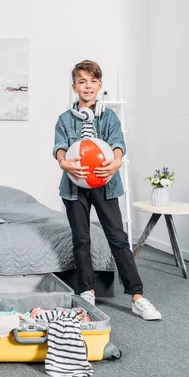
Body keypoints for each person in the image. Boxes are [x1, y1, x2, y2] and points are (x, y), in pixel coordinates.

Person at [53, 60, 161, 321]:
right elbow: (59, 146)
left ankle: (137, 296)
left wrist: (115, 162)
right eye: (82, 82)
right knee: (81, 239)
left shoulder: (109, 116)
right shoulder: (65, 119)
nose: (87, 86)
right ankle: (87, 291)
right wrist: (65, 163)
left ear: (99, 85)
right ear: (74, 86)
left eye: (92, 82)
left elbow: (117, 143)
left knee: (118, 238)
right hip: (74, 187)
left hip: (105, 184)